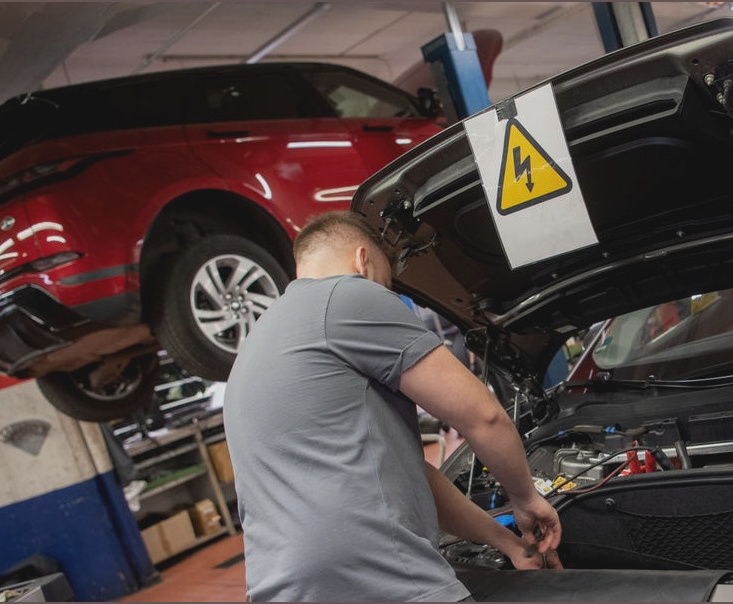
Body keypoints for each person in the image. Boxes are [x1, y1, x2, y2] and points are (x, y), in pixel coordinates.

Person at [222, 210, 561, 602]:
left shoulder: (260, 343)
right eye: (387, 283)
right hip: (378, 579)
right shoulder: (347, 295)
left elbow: (409, 475)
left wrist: (510, 544)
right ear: (363, 260)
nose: (387, 295)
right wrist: (526, 499)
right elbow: (483, 416)